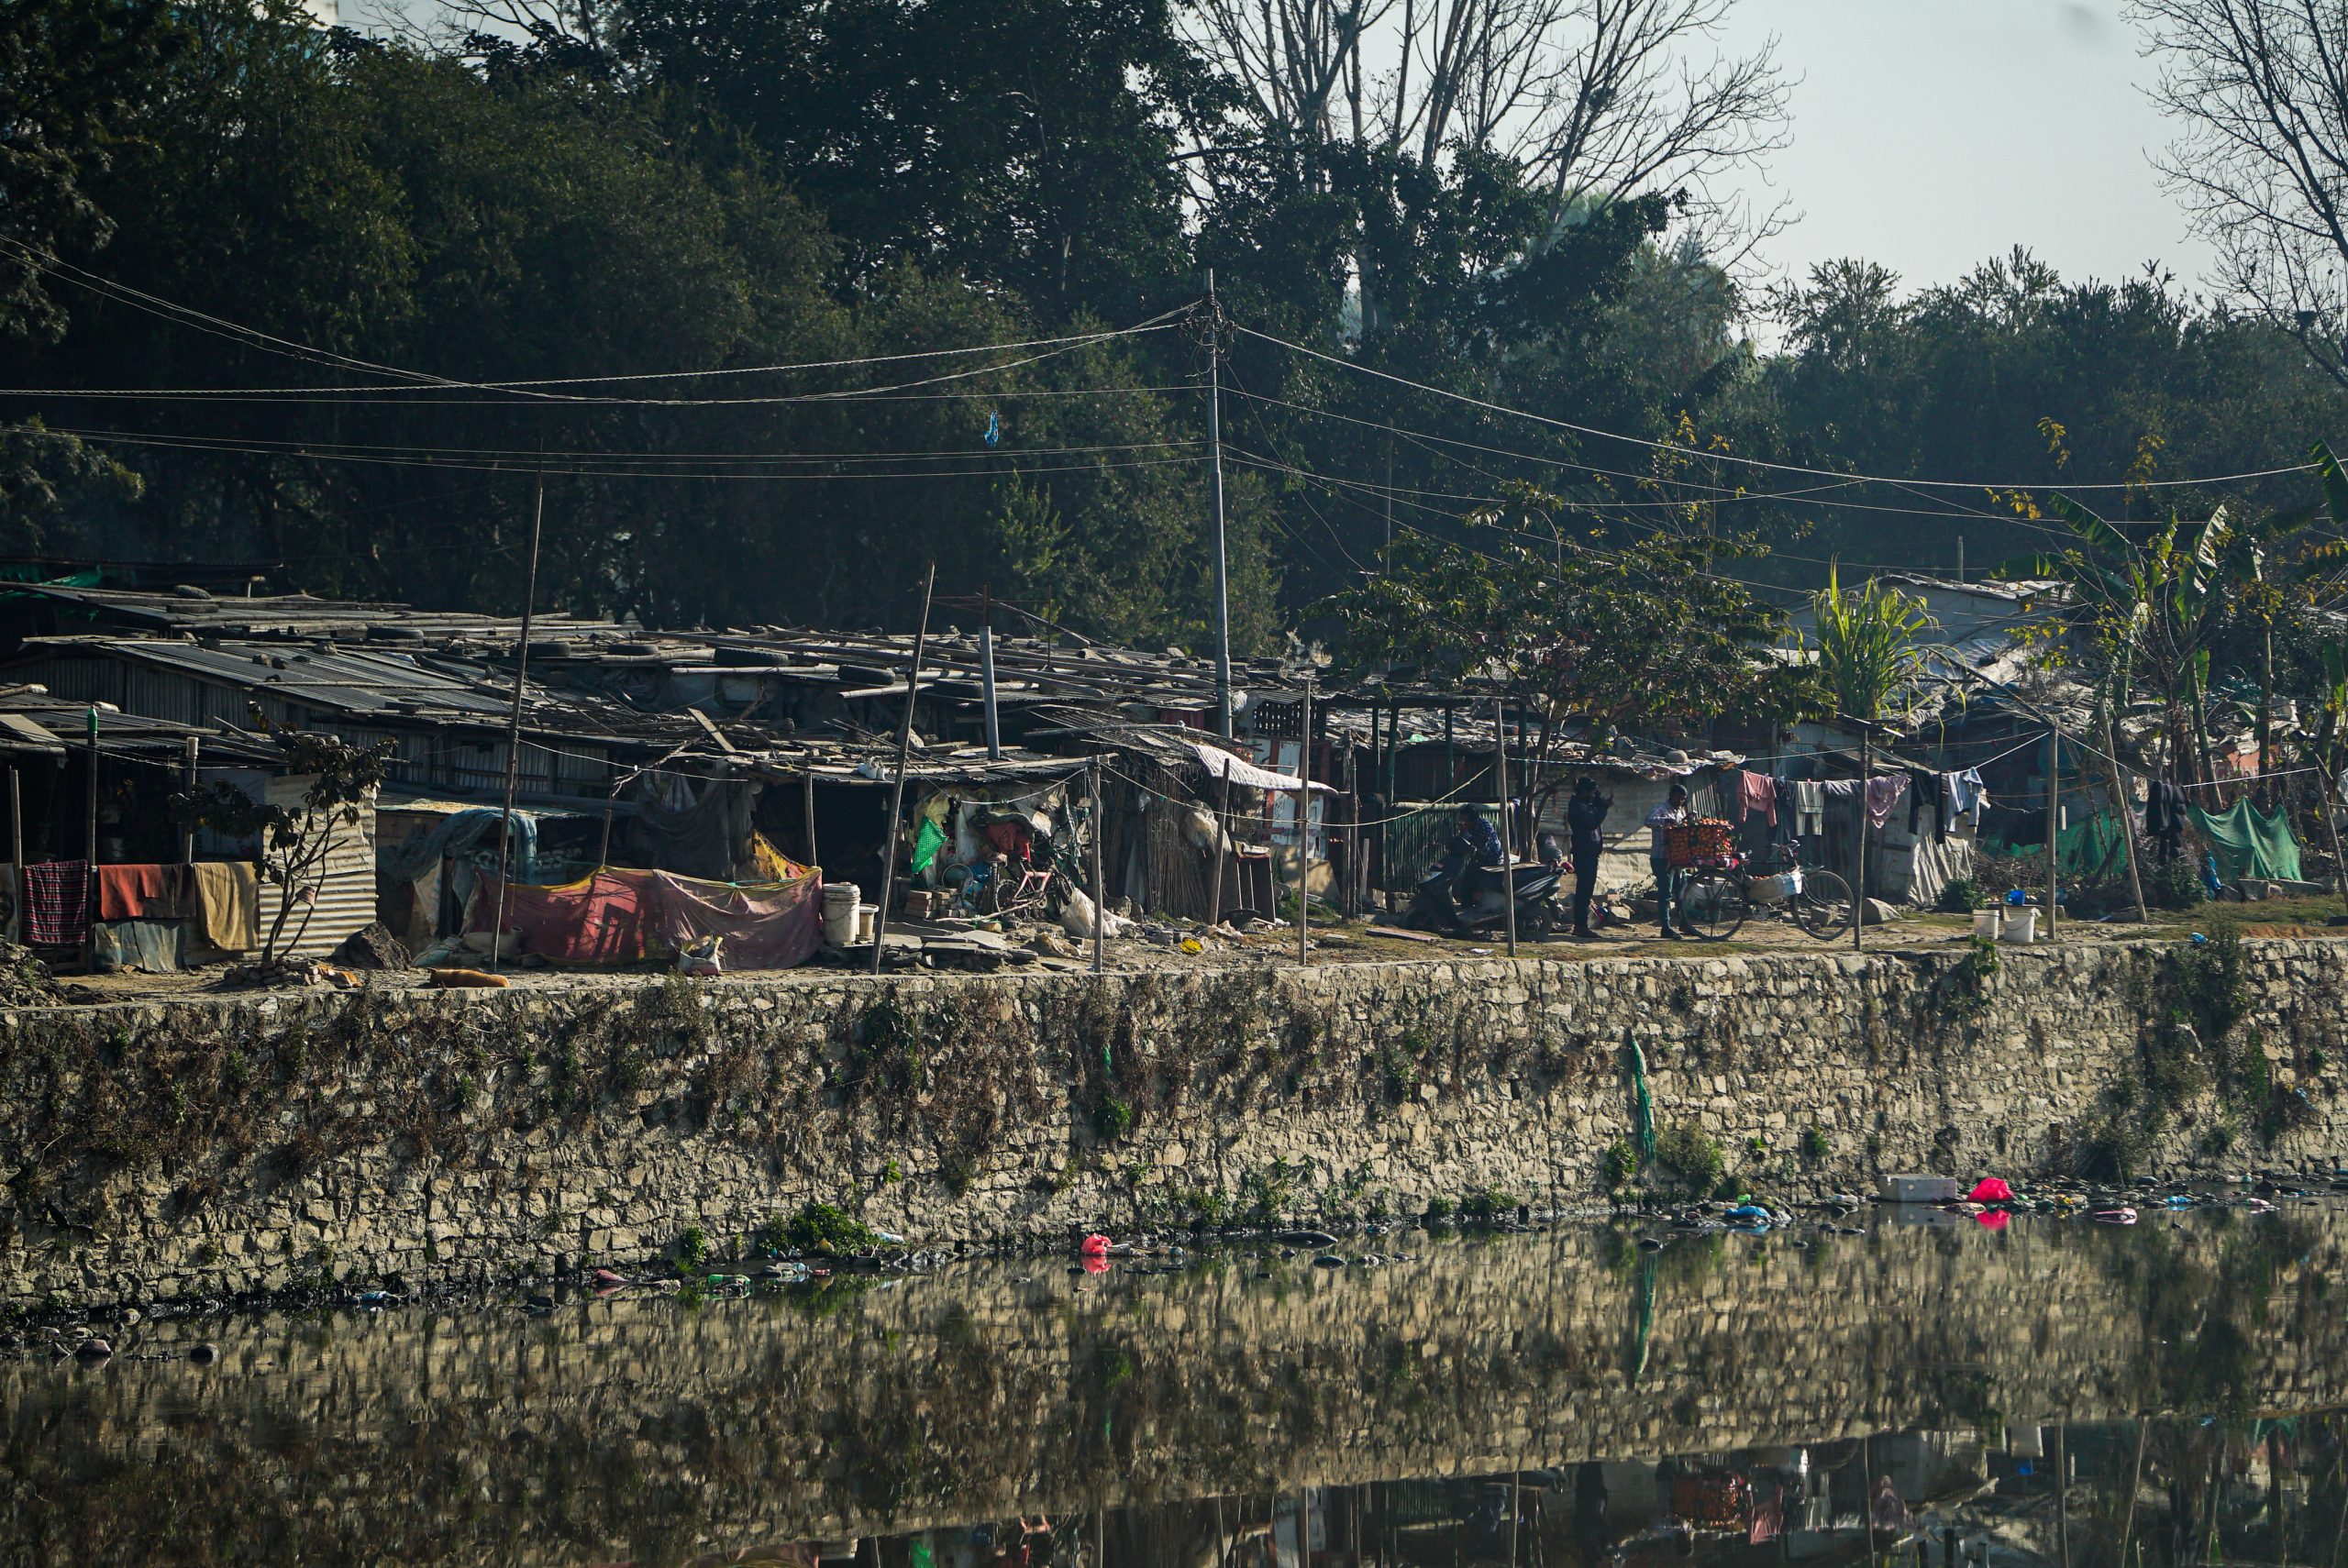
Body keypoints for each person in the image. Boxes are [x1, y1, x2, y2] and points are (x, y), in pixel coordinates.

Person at [1566, 777, 1611, 938]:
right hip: (1583, 854)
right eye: (1591, 793)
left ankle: (1581, 926)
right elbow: (1592, 822)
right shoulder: (1577, 807)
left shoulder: (1586, 805)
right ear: (1584, 792)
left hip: (1590, 854)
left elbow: (1598, 803)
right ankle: (1580, 926)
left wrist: (1599, 798)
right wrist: (1604, 808)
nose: (1593, 796)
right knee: (1584, 893)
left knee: (1586, 892)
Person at [1645, 783, 1691, 938]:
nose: (1680, 801)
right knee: (1665, 894)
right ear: (1671, 796)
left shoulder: (1680, 811)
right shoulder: (1661, 808)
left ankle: (1685, 924)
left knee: (1682, 892)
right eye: (1678, 798)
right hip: (1662, 857)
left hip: (1677, 859)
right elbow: (1648, 821)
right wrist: (1665, 821)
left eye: (1683, 799)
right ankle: (1665, 928)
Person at [1445, 805, 1504, 911]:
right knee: (1467, 878)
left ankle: (1474, 904)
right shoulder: (1469, 826)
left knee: (1477, 879)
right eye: (1461, 820)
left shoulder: (1485, 827)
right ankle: (1466, 906)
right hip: (1479, 856)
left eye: (1464, 820)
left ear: (1472, 820)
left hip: (1491, 858)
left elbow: (1480, 847)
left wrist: (1465, 834)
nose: (1462, 822)